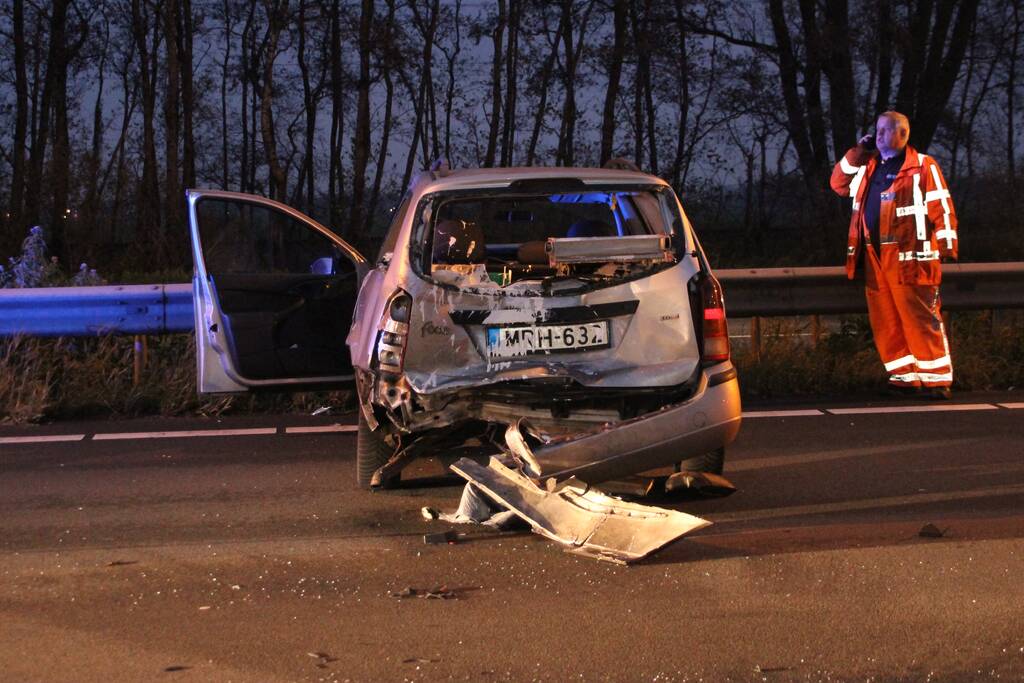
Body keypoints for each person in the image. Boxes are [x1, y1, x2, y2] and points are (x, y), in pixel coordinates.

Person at [830, 111, 959, 399]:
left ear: (903, 135)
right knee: (886, 320)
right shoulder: (868, 166)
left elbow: (942, 205)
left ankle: (937, 379)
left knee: (919, 318)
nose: (878, 135)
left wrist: (947, 245)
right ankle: (903, 377)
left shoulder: (923, 166)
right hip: (874, 257)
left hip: (911, 258)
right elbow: (838, 184)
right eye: (877, 129)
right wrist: (858, 152)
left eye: (886, 130)